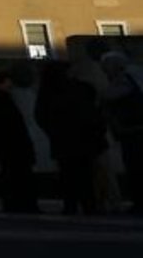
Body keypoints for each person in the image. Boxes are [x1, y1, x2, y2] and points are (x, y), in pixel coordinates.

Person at [36, 61, 109, 215]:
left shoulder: (49, 91)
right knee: (84, 174)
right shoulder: (80, 89)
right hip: (81, 138)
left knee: (69, 174)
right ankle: (88, 205)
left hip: (65, 139)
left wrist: (53, 131)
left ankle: (73, 205)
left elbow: (41, 115)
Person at [0, 71, 38, 213]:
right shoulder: (3, 101)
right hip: (13, 146)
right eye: (8, 81)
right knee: (19, 176)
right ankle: (23, 204)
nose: (11, 83)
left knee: (10, 177)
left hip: (7, 147)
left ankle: (14, 204)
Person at [99, 52, 143, 214]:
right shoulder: (133, 77)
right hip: (131, 131)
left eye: (106, 69)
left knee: (135, 168)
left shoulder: (124, 80)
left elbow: (108, 96)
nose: (105, 72)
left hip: (133, 131)